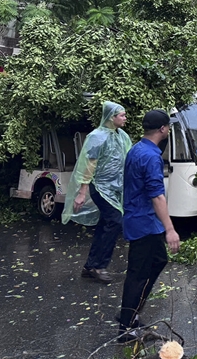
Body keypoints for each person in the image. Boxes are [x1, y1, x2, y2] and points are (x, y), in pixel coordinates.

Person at [118, 110, 180, 342]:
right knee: (138, 274)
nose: (169, 130)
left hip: (142, 221)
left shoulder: (137, 149)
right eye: (168, 127)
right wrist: (170, 229)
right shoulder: (151, 157)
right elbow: (157, 196)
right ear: (163, 129)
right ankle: (126, 329)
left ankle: (130, 313)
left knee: (158, 260)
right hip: (143, 223)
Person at [62, 101, 132, 284]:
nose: (125, 118)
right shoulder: (97, 137)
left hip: (116, 187)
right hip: (100, 187)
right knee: (115, 220)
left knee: (106, 223)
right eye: (122, 115)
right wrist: (82, 191)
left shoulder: (122, 136)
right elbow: (89, 164)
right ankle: (99, 266)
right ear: (111, 117)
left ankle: (90, 266)